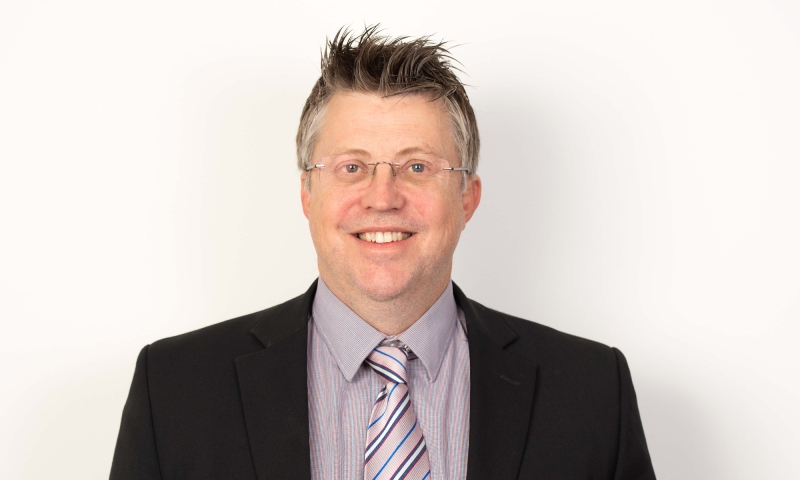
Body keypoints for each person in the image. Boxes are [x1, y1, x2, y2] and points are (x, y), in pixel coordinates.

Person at [110, 26, 656, 480]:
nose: (382, 197)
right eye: (351, 167)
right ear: (307, 194)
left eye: (417, 166)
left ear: (467, 197)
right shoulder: (175, 390)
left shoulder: (590, 392)